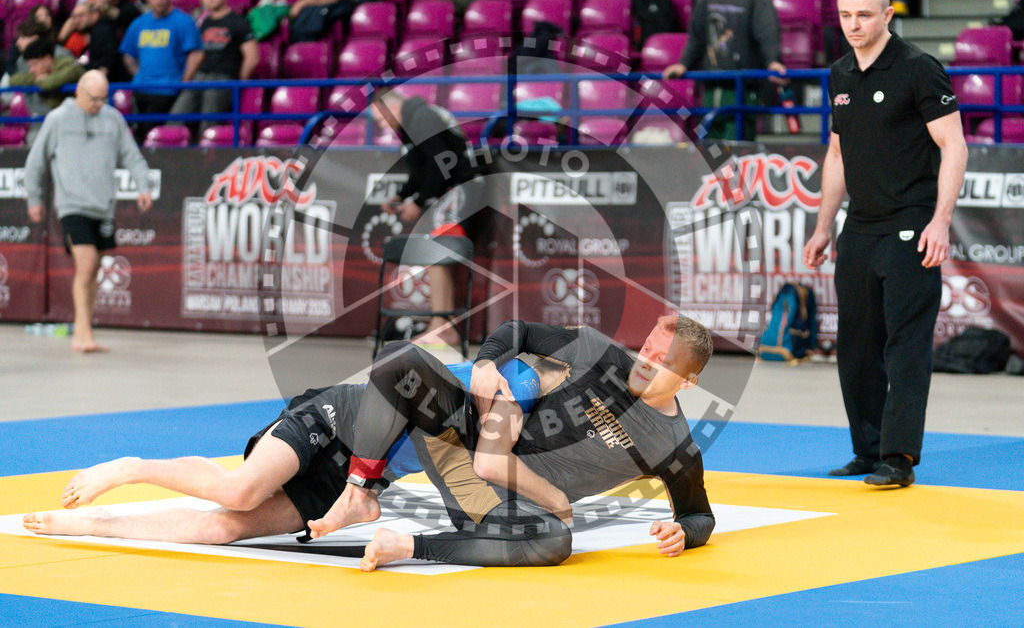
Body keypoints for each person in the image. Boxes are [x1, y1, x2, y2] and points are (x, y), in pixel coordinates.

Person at [308, 315, 715, 571]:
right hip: (464, 437)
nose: (645, 363)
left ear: (689, 381)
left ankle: (409, 547)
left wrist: (684, 531)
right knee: (399, 357)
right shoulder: (597, 352)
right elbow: (518, 332)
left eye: (662, 361)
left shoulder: (674, 447)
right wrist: (486, 362)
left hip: (498, 504)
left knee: (555, 541)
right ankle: (358, 490)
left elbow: (700, 516)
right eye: (647, 348)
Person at [21, 359, 546, 541]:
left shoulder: (520, 432)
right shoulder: (485, 385)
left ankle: (96, 526)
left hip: (357, 475)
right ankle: (130, 466)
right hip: (337, 415)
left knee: (222, 528)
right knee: (240, 490)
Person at [802, 0, 967, 487]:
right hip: (861, 228)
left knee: (905, 345)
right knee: (856, 346)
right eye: (846, 16)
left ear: (887, 16)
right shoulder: (840, 74)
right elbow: (836, 154)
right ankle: (867, 450)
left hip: (912, 226)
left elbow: (954, 146)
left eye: (865, 15)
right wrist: (823, 226)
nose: (854, 25)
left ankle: (899, 457)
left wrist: (940, 221)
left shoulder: (918, 69)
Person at [22, 71, 153, 352]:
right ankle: (83, 332)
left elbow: (132, 155)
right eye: (94, 98)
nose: (98, 104)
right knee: (87, 262)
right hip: (72, 204)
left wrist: (144, 186)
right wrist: (34, 198)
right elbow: (35, 162)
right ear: (79, 92)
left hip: (102, 205)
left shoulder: (113, 118)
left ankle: (83, 330)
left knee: (93, 271)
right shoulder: (57, 119)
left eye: (103, 99)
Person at [372, 87, 479, 349]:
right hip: (457, 189)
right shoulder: (414, 121)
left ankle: (442, 328)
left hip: (464, 189)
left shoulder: (421, 117)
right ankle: (444, 327)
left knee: (437, 252)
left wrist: (419, 201)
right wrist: (401, 195)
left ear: (393, 107)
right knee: (437, 254)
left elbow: (443, 162)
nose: (381, 125)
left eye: (381, 118)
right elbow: (423, 169)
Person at [661, 0, 786, 141]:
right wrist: (683, 63)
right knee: (712, 149)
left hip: (743, 84)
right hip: (711, 84)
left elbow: (767, 31)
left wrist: (773, 60)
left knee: (738, 148)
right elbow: (696, 34)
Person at [169, 0, 259, 136]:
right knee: (176, 116)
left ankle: (207, 156)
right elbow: (199, 53)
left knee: (208, 121)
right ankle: (173, 154)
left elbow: (252, 57)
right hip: (200, 76)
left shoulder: (238, 22)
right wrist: (187, 78)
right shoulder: (204, 23)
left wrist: (240, 82)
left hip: (223, 77)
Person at [120, 0, 204, 139]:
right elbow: (128, 54)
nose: (159, 1)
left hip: (167, 90)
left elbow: (196, 53)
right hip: (140, 89)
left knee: (154, 137)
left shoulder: (183, 20)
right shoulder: (139, 23)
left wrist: (184, 80)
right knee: (138, 135)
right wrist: (138, 74)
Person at [8, 38, 86, 118]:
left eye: (34, 64)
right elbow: (13, 80)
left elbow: (49, 83)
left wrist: (39, 80)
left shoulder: (70, 67)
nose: (31, 70)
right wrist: (36, 79)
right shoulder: (40, 74)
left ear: (48, 59)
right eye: (30, 66)